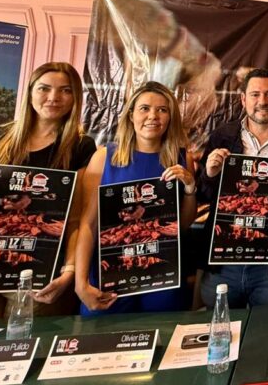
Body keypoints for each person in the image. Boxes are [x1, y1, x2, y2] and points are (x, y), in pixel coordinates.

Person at [0, 62, 96, 319]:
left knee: (29, 339)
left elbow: (76, 218)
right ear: (30, 92)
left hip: (40, 266)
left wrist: (69, 270)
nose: (54, 97)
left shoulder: (81, 147)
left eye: (65, 90)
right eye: (44, 88)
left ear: (75, 97)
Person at [74, 81, 197, 315]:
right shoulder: (104, 158)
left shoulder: (182, 158)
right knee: (101, 332)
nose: (153, 116)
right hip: (112, 273)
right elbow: (88, 224)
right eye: (144, 108)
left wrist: (190, 187)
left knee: (164, 333)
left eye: (162, 110)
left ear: (170, 117)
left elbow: (182, 224)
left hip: (162, 274)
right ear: (131, 115)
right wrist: (80, 283)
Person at [198, 69, 268, 307]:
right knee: (221, 325)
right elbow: (204, 195)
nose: (262, 101)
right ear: (243, 99)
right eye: (255, 94)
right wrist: (209, 174)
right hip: (224, 263)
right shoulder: (222, 136)